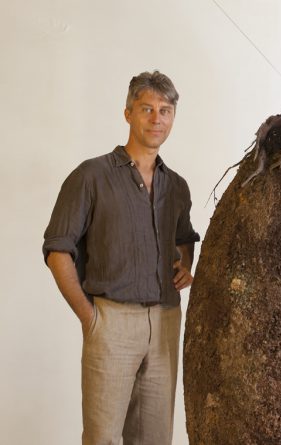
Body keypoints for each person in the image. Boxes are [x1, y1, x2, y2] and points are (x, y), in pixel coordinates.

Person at [43, 70, 200, 445]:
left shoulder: (176, 185)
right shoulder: (91, 175)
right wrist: (90, 317)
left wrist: (186, 265)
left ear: (173, 118)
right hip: (111, 321)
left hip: (164, 322)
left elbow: (184, 237)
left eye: (165, 110)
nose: (156, 118)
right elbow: (57, 249)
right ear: (128, 113)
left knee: (155, 438)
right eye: (146, 108)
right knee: (103, 438)